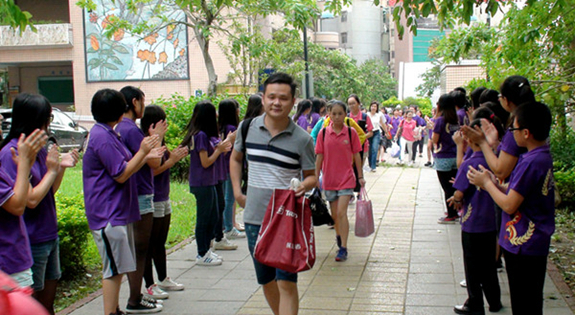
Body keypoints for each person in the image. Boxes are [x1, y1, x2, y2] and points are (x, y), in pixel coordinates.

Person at [230, 72, 317, 315]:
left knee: (287, 282)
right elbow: (235, 159)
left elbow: (312, 176)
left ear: (293, 102)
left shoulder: (302, 139)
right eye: (271, 97)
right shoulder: (247, 128)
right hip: (254, 218)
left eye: (283, 98)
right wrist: (238, 192)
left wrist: (304, 184)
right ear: (263, 98)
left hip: (285, 220)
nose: (276, 103)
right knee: (266, 280)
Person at [467, 102, 554, 315]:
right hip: (530, 242)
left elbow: (509, 203)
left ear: (526, 133)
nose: (511, 135)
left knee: (525, 304)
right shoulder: (540, 156)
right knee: (529, 301)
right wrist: (494, 183)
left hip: (525, 244)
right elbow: (517, 191)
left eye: (513, 129)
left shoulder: (531, 162)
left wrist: (487, 185)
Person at [83, 89, 163, 315]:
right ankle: (111, 312)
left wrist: (144, 156)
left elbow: (126, 165)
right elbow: (121, 173)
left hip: (117, 211)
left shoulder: (108, 134)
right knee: (113, 269)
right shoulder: (102, 137)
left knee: (117, 268)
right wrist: (144, 151)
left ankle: (114, 310)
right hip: (107, 213)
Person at [0, 94, 79, 315]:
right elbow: (30, 200)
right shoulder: (13, 153)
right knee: (33, 306)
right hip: (31, 239)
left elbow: (49, 191)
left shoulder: (37, 149)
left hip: (47, 234)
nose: (49, 124)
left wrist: (59, 167)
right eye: (47, 118)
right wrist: (52, 170)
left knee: (47, 304)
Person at [117, 86, 166, 311]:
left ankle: (136, 296)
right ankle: (134, 299)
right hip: (141, 193)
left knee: (138, 248)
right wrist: (157, 139)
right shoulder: (132, 130)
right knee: (140, 249)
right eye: (142, 102)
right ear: (134, 102)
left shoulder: (122, 129)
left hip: (135, 192)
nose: (143, 107)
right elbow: (155, 162)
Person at [451, 119, 502, 315]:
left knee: (472, 267)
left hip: (472, 225)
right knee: (489, 265)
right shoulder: (493, 160)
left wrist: (454, 197)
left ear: (469, 140)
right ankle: (495, 301)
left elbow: (459, 193)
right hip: (490, 223)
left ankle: (475, 303)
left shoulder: (469, 164)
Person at [141, 105, 188, 297]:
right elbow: (153, 169)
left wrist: (174, 155)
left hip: (163, 196)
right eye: (163, 121)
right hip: (153, 197)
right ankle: (149, 284)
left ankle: (163, 278)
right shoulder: (147, 142)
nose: (166, 125)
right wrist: (171, 161)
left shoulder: (159, 141)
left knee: (160, 242)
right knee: (150, 243)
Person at [181, 101, 232, 266]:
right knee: (204, 218)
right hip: (202, 182)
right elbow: (205, 162)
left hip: (208, 181)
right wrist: (219, 150)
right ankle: (201, 253)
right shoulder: (201, 136)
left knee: (213, 214)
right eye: (214, 112)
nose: (217, 115)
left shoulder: (205, 135)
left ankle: (207, 250)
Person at [315, 100, 364, 262]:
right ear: (328, 114)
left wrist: (361, 176)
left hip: (346, 179)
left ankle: (343, 247)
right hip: (329, 180)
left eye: (340, 113)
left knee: (342, 213)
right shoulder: (323, 134)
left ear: (345, 114)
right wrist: (315, 177)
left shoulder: (351, 133)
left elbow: (357, 155)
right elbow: (319, 157)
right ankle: (338, 235)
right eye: (333, 113)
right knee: (335, 215)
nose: (337, 117)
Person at [0, 130, 46, 286]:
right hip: (8, 263)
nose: (1, 131)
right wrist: (24, 164)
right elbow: (19, 205)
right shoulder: (7, 154)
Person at [218, 99, 245, 240]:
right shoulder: (231, 129)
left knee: (225, 197)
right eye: (237, 108)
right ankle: (228, 227)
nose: (239, 110)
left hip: (222, 166)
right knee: (230, 197)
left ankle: (228, 224)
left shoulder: (220, 127)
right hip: (230, 167)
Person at [433, 93, 460, 223]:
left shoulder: (440, 120)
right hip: (456, 155)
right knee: (454, 184)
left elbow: (435, 140)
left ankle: (451, 214)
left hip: (443, 156)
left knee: (446, 187)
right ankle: (455, 210)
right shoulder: (457, 119)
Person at [367, 101, 386, 172]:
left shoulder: (379, 115)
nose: (373, 108)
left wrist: (386, 132)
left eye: (375, 106)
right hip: (369, 132)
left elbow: (382, 124)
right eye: (372, 106)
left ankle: (373, 166)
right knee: (369, 149)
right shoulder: (367, 115)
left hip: (376, 133)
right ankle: (370, 164)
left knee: (375, 148)